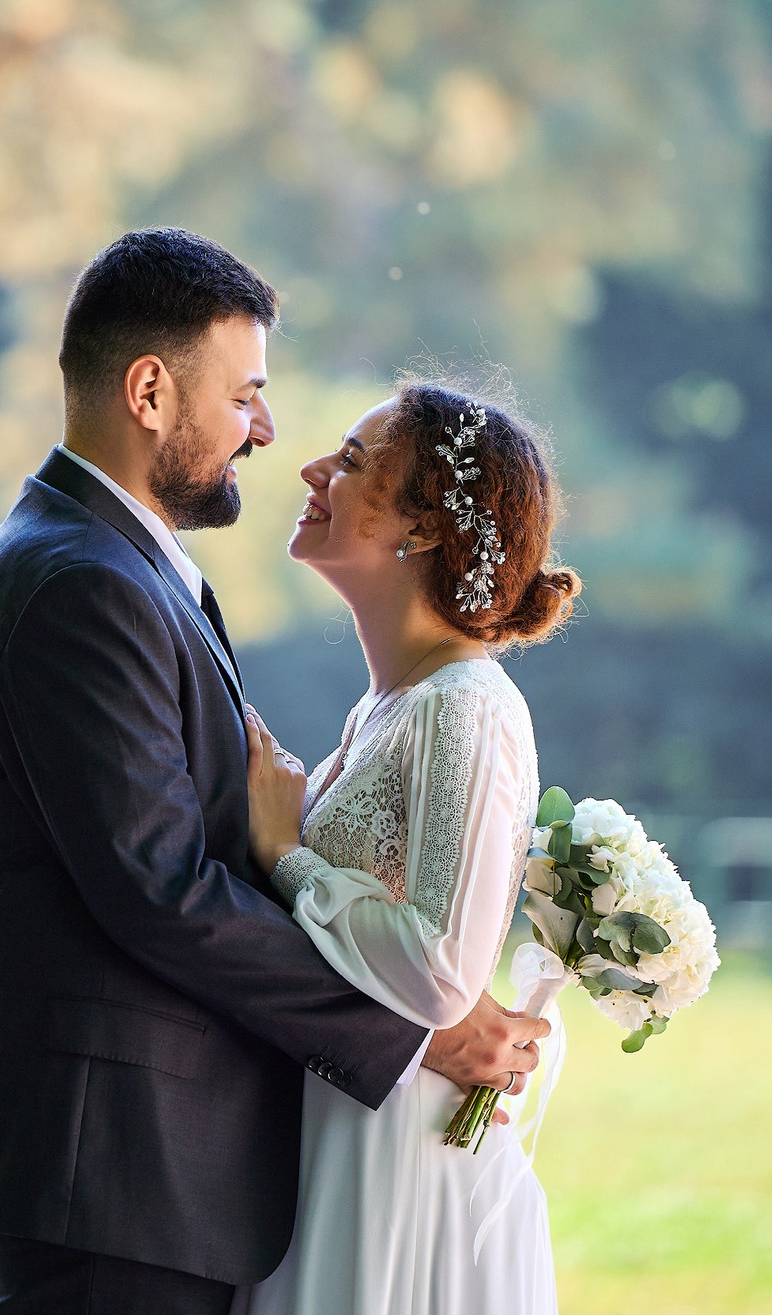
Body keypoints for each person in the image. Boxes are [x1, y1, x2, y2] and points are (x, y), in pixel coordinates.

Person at [0, 228, 550, 1315]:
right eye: (244, 394)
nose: (264, 430)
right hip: (102, 1167)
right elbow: (158, 889)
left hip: (144, 1169)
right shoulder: (80, 583)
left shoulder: (119, 567)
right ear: (150, 392)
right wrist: (417, 1031)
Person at [233, 380, 581, 1315]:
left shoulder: (467, 704)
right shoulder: (392, 703)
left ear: (421, 530)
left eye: (351, 463)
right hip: (350, 1121)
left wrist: (285, 852)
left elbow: (438, 969)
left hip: (403, 1157)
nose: (313, 470)